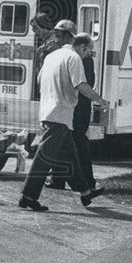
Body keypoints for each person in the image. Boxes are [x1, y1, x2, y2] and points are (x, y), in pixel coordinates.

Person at [19, 31, 108, 212]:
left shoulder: (52, 56)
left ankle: (85, 192)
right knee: (44, 157)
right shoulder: (74, 58)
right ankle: (28, 196)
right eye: (88, 52)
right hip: (59, 114)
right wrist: (99, 99)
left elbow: (38, 79)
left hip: (49, 112)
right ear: (82, 47)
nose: (87, 56)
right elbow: (81, 85)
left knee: (69, 157)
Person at [48, 42, 99, 191]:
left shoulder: (78, 59)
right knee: (66, 143)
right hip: (76, 107)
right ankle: (61, 180)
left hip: (77, 108)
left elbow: (82, 84)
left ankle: (84, 182)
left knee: (76, 144)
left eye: (59, 36)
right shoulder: (80, 58)